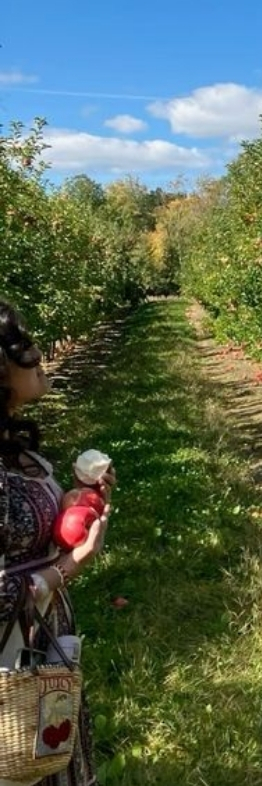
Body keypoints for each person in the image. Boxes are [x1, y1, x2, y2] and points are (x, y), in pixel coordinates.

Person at [0, 301, 114, 786]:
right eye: (22, 346)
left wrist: (70, 502)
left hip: (41, 651)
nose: (39, 352)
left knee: (49, 759)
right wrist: (70, 566)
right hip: (12, 664)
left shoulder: (14, 446)